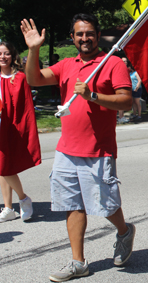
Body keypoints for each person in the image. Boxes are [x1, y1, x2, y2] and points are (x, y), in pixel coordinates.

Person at [20, 14, 135, 282]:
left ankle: (124, 231)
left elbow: (126, 101)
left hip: (98, 151)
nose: (85, 38)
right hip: (66, 151)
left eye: (90, 33)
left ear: (98, 35)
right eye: (79, 34)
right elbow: (34, 79)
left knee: (106, 206)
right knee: (73, 206)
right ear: (72, 38)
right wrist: (33, 49)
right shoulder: (65, 65)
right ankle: (78, 262)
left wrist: (92, 96)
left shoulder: (112, 63)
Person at [0, 42, 41, 223]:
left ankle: (23, 198)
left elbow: (25, 108)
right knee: (2, 168)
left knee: (4, 167)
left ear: (13, 55)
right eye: (0, 53)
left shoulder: (20, 78)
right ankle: (9, 207)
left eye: (6, 53)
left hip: (11, 127)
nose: (3, 57)